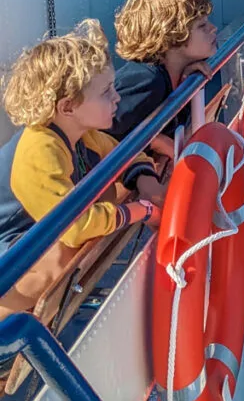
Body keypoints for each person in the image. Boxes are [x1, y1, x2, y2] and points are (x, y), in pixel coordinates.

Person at [0, 20, 162, 322]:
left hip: (31, 231)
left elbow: (125, 155)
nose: (117, 98)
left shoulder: (80, 131)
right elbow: (73, 228)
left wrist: (146, 180)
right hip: (8, 246)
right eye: (106, 92)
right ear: (68, 106)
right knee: (61, 253)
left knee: (111, 193)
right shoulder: (40, 150)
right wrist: (142, 211)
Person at [110, 0, 218, 166]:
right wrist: (154, 140)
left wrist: (186, 86)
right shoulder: (147, 80)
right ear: (172, 36)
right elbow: (101, 130)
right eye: (202, 26)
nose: (213, 28)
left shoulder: (172, 77)